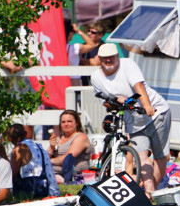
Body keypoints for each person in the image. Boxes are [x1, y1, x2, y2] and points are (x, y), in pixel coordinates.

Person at [91, 43, 172, 197]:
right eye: (104, 58)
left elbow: (138, 86)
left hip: (156, 113)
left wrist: (148, 106)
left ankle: (149, 193)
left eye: (111, 57)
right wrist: (116, 100)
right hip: (133, 120)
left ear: (117, 57)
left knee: (160, 155)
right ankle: (149, 193)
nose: (108, 60)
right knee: (141, 155)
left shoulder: (127, 64)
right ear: (99, 59)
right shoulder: (96, 77)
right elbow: (104, 102)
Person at [6, 123, 60, 199]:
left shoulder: (18, 149)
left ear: (9, 139)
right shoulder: (38, 146)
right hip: (44, 188)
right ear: (25, 133)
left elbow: (11, 175)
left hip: (29, 190)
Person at [49, 109, 91, 184]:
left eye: (69, 121)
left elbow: (67, 159)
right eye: (63, 122)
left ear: (77, 123)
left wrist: (47, 161)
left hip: (73, 175)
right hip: (55, 171)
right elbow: (46, 155)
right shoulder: (58, 139)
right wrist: (51, 148)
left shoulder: (81, 137)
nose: (66, 124)